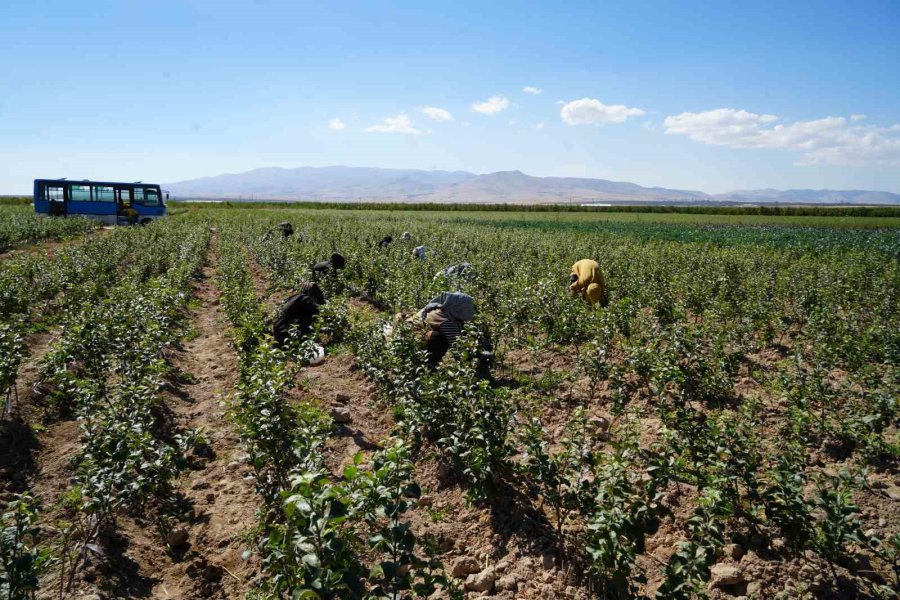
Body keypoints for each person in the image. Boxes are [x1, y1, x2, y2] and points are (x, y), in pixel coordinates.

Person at [411, 292, 475, 367]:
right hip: (414, 344)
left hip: (417, 341)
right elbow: (456, 342)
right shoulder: (440, 316)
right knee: (437, 338)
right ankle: (430, 365)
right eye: (467, 308)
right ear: (458, 307)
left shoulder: (447, 312)